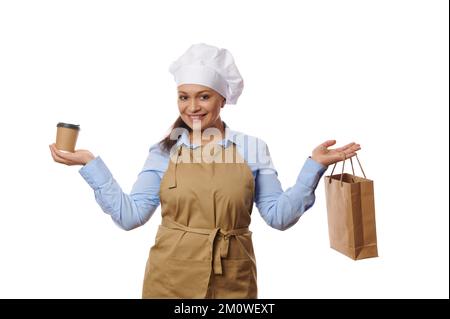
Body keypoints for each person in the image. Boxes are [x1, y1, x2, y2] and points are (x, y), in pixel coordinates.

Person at [49, 43, 361, 299]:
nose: (192, 107)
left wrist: (314, 167)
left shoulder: (252, 148)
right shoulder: (164, 151)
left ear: (223, 98)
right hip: (167, 282)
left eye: (204, 96)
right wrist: (89, 163)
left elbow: (279, 217)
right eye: (184, 97)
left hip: (233, 284)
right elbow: (129, 216)